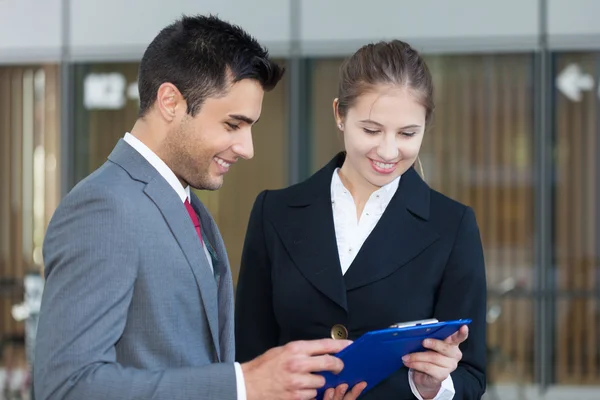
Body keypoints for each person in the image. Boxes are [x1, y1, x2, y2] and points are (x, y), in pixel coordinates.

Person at [34, 14, 360, 400]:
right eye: (232, 124)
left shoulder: (188, 207)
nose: (247, 148)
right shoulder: (102, 208)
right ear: (170, 101)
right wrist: (243, 384)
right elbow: (66, 387)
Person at [235, 40, 487, 399]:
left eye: (407, 133)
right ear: (339, 114)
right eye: (371, 130)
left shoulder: (452, 226)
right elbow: (249, 358)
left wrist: (432, 385)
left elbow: (471, 379)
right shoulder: (273, 212)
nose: (387, 151)